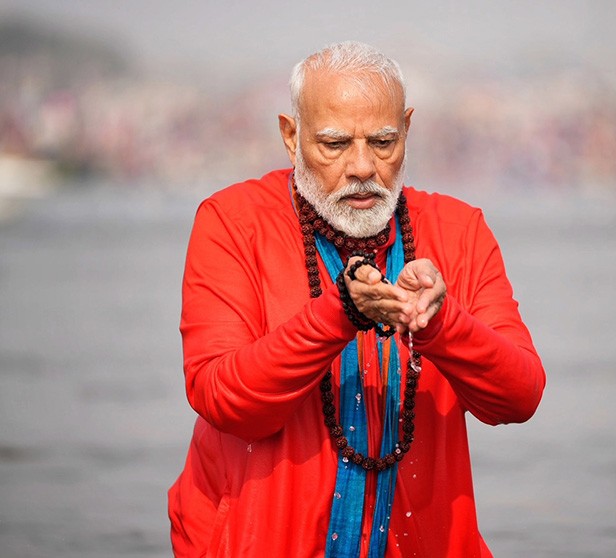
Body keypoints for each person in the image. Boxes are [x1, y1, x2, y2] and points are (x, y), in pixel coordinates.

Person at [168, 41, 545, 558]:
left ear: (407, 131)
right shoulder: (230, 223)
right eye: (334, 144)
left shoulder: (461, 231)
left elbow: (519, 397)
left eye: (384, 142)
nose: (363, 166)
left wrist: (440, 323)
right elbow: (222, 399)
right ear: (290, 136)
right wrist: (338, 315)